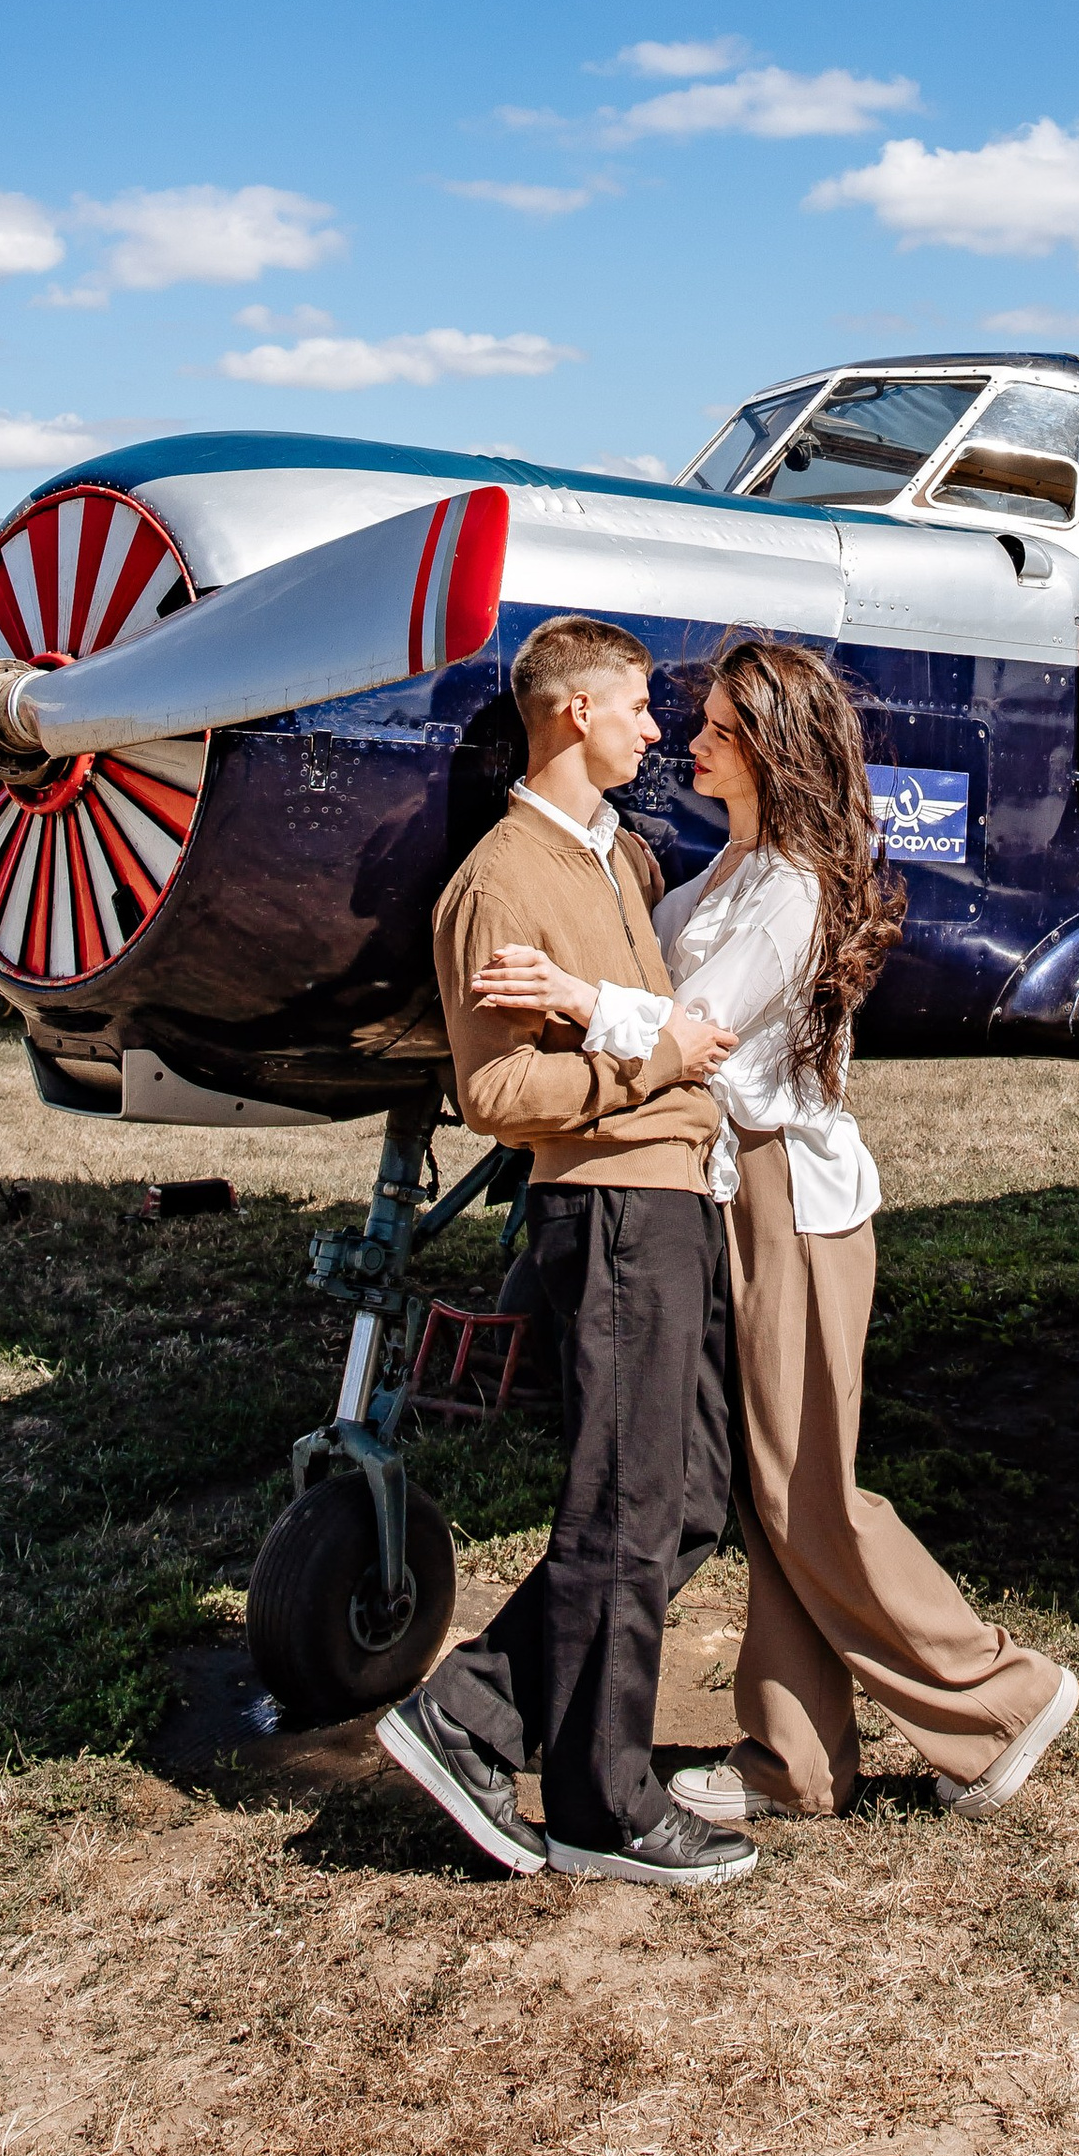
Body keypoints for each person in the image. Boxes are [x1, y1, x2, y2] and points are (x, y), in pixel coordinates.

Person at [474, 636, 1077, 1826]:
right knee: (767, 1484)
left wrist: (577, 997)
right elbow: (643, 929)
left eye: (709, 730)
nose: (684, 743)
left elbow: (699, 1022)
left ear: (764, 751)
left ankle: (1000, 1697)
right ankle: (797, 1757)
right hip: (724, 1185)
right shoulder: (733, 869)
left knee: (809, 1489)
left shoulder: (795, 885)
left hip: (785, 1198)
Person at [378, 613, 753, 1888]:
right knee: (626, 1500)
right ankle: (605, 1799)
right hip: (608, 1210)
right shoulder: (503, 882)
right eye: (640, 708)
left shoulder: (617, 864)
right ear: (574, 715)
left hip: (671, 1199)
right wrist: (654, 1060)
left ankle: (474, 1713)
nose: (656, 732)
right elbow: (494, 1095)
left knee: (693, 1491)